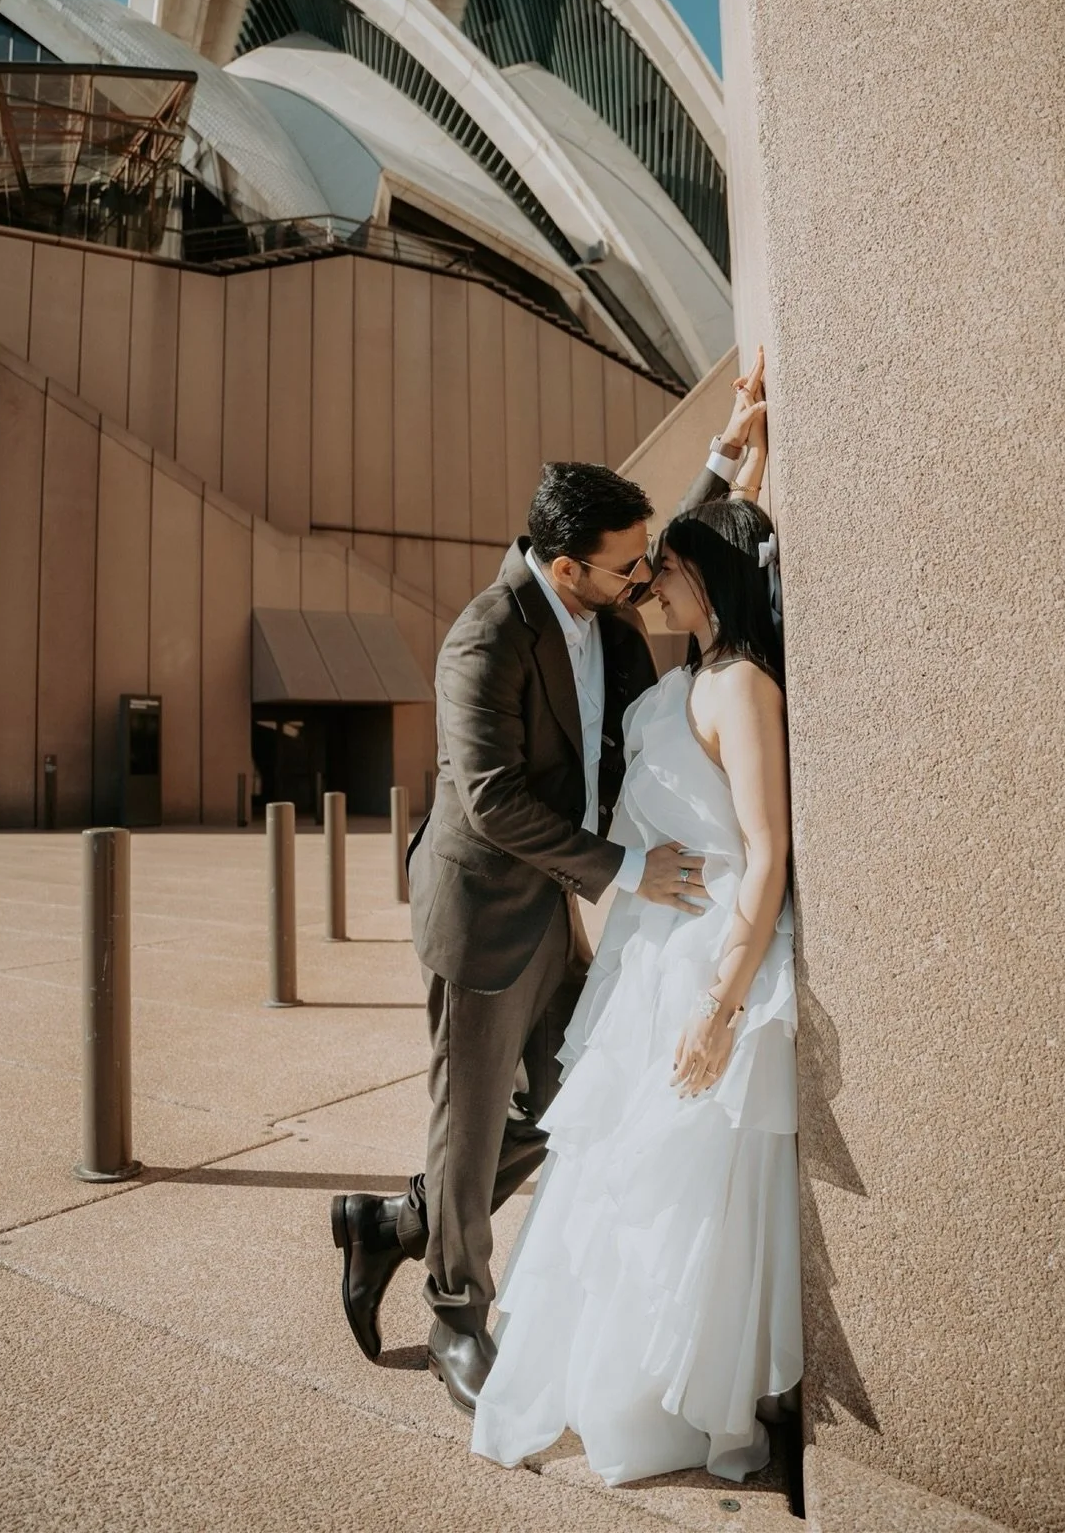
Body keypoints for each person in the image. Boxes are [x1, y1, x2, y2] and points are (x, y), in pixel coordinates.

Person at [331, 351, 773, 1417]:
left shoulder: (606, 598)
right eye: (624, 569)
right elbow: (487, 801)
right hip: (482, 916)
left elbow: (671, 550)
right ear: (564, 565)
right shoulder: (483, 638)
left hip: (557, 918)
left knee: (578, 1105)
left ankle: (395, 1225)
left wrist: (727, 454)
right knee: (473, 1120)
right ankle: (452, 1314)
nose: (642, 580)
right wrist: (624, 868)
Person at [469, 481, 801, 1485]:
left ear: (709, 576)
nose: (649, 578)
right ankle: (625, 1376)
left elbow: (766, 851)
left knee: (689, 1189)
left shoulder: (743, 685)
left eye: (668, 563)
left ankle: (683, 1390)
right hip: (654, 959)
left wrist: (720, 1008)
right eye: (638, 563)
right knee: (625, 1185)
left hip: (714, 964)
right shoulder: (676, 682)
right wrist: (737, 451)